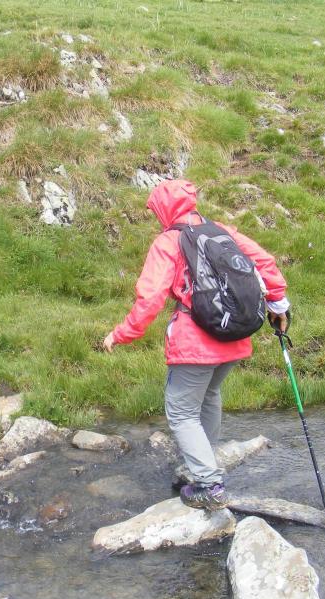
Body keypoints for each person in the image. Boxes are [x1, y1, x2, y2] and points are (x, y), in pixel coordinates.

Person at [103, 179, 289, 510]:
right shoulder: (223, 231)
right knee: (209, 396)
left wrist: (121, 334)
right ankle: (203, 464)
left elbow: (150, 299)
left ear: (164, 209)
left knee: (181, 411)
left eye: (156, 211)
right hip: (234, 335)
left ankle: (209, 485)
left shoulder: (168, 242)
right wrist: (278, 304)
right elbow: (266, 262)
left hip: (195, 342)